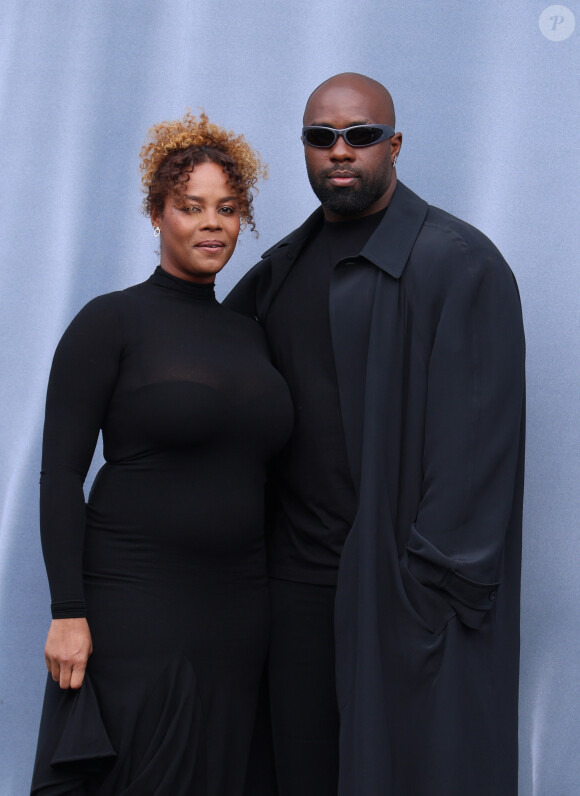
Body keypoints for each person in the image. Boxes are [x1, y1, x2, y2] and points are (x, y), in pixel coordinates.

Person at [224, 73, 525, 796]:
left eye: (360, 136)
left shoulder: (459, 262)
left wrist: (424, 595)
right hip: (295, 591)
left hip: (395, 596)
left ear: (394, 145)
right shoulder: (278, 272)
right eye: (321, 137)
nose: (340, 151)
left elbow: (478, 460)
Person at [30, 111, 293, 795]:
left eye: (228, 209)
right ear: (156, 215)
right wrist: (67, 611)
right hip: (133, 603)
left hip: (239, 611)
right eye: (191, 206)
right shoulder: (109, 321)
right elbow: (60, 475)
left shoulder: (253, 336)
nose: (212, 223)